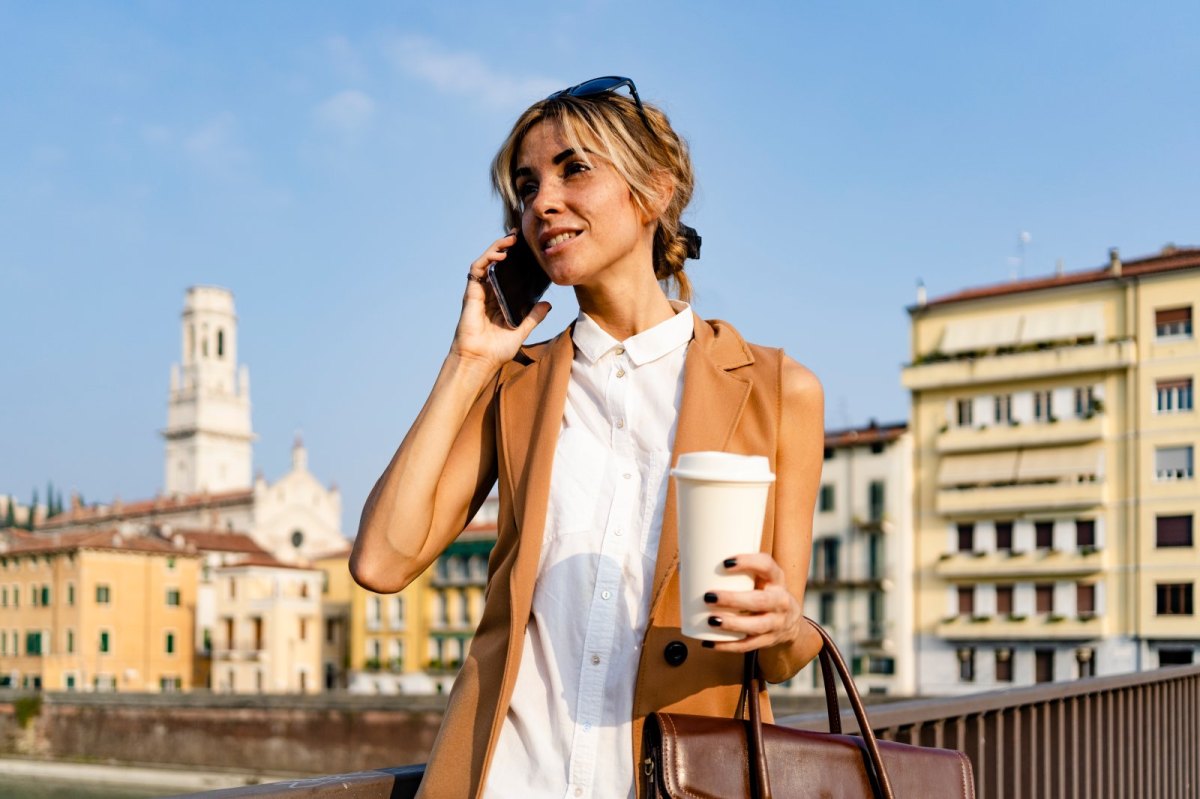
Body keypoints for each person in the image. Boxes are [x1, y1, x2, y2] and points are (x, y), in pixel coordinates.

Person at [351, 76, 824, 799]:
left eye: (575, 169)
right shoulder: (516, 383)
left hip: (682, 781)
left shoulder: (778, 388)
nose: (542, 200)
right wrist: (470, 360)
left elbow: (787, 650)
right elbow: (382, 560)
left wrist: (785, 620)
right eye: (526, 183)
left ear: (655, 191)